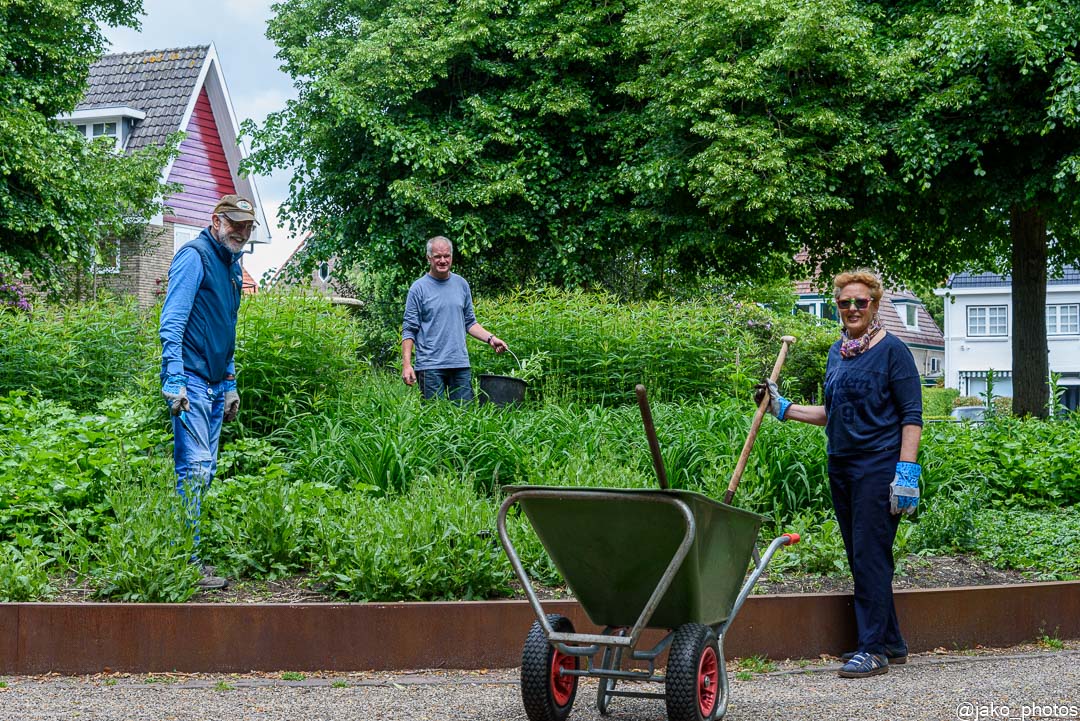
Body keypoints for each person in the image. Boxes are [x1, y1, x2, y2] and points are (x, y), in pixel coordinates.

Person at [756, 269, 923, 678]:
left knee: (869, 555)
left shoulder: (893, 352)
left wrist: (906, 471)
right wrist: (784, 408)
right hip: (842, 465)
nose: (851, 309)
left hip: (878, 465)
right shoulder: (838, 352)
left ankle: (873, 650)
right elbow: (832, 414)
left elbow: (911, 416)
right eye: (844, 303)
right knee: (862, 555)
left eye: (860, 302)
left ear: (875, 305)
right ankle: (892, 642)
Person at [159, 194, 255, 590]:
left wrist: (230, 384)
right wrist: (173, 380)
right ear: (216, 221)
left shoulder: (232, 266)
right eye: (235, 224)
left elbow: (225, 331)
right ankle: (187, 563)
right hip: (193, 381)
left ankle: (187, 556)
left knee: (205, 470)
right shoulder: (193, 257)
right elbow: (172, 322)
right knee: (194, 470)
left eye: (248, 227)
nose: (242, 233)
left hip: (216, 385)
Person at [401, 236, 508, 401]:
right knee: (433, 418)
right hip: (430, 367)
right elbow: (409, 329)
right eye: (437, 256)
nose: (443, 260)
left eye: (447, 256)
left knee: (464, 417)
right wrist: (407, 365)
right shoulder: (418, 288)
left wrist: (491, 338)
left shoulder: (461, 284)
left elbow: (470, 322)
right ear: (429, 258)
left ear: (451, 256)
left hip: (459, 364)